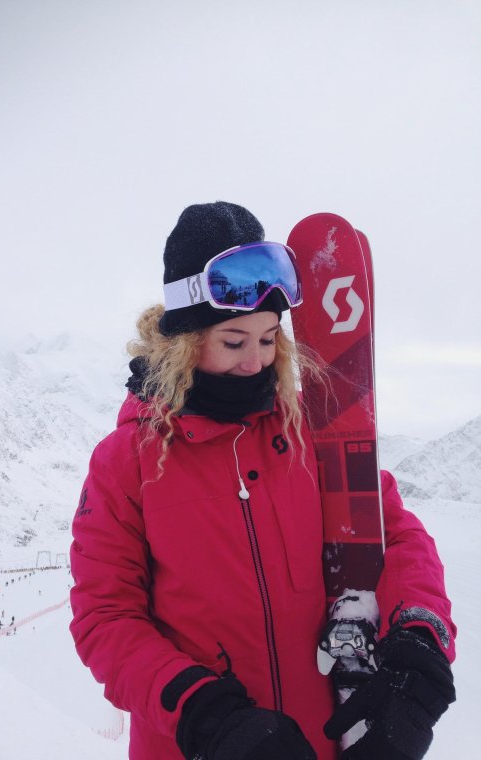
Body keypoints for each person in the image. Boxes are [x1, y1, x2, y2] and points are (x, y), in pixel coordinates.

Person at [69, 202, 456, 760]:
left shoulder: (310, 433)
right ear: (183, 340)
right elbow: (105, 617)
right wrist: (205, 713)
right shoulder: (127, 460)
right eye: (233, 341)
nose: (256, 360)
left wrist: (418, 642)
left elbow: (396, 538)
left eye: (270, 338)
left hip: (322, 743)